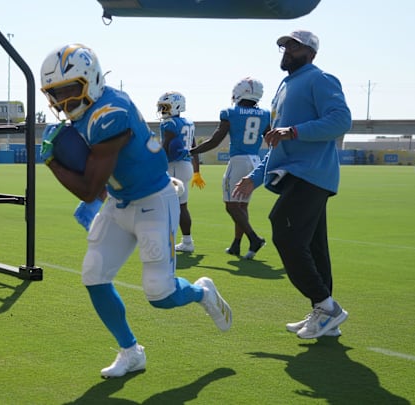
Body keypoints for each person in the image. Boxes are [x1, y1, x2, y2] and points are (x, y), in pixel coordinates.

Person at [39, 44, 232, 378]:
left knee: (160, 293)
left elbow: (87, 189)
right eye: (56, 94)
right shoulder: (89, 113)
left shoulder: (109, 113)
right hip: (119, 200)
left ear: (92, 80)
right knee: (94, 275)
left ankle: (202, 292)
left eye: (71, 90)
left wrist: (52, 160)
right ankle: (131, 351)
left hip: (153, 200)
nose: (64, 102)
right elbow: (101, 183)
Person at [233, 30, 352, 339]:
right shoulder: (284, 86)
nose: (286, 50)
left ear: (310, 52)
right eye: (284, 46)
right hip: (293, 175)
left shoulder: (320, 79)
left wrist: (293, 131)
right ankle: (325, 316)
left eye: (293, 46)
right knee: (314, 246)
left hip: (311, 174)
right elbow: (278, 146)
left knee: (284, 232)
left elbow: (341, 120)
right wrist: (254, 178)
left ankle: (327, 307)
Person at [190, 78, 270, 259]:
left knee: (231, 206)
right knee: (242, 205)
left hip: (238, 161)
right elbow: (271, 138)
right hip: (255, 160)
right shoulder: (265, 114)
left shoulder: (230, 112)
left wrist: (192, 151)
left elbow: (215, 140)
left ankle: (254, 238)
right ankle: (236, 244)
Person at [157, 91, 206, 253]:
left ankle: (167, 242)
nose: (163, 110)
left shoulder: (169, 124)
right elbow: (194, 148)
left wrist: (154, 166)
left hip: (174, 166)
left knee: (167, 206)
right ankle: (187, 242)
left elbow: (165, 148)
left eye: (165, 107)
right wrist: (197, 171)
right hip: (186, 166)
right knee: (182, 206)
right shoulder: (188, 123)